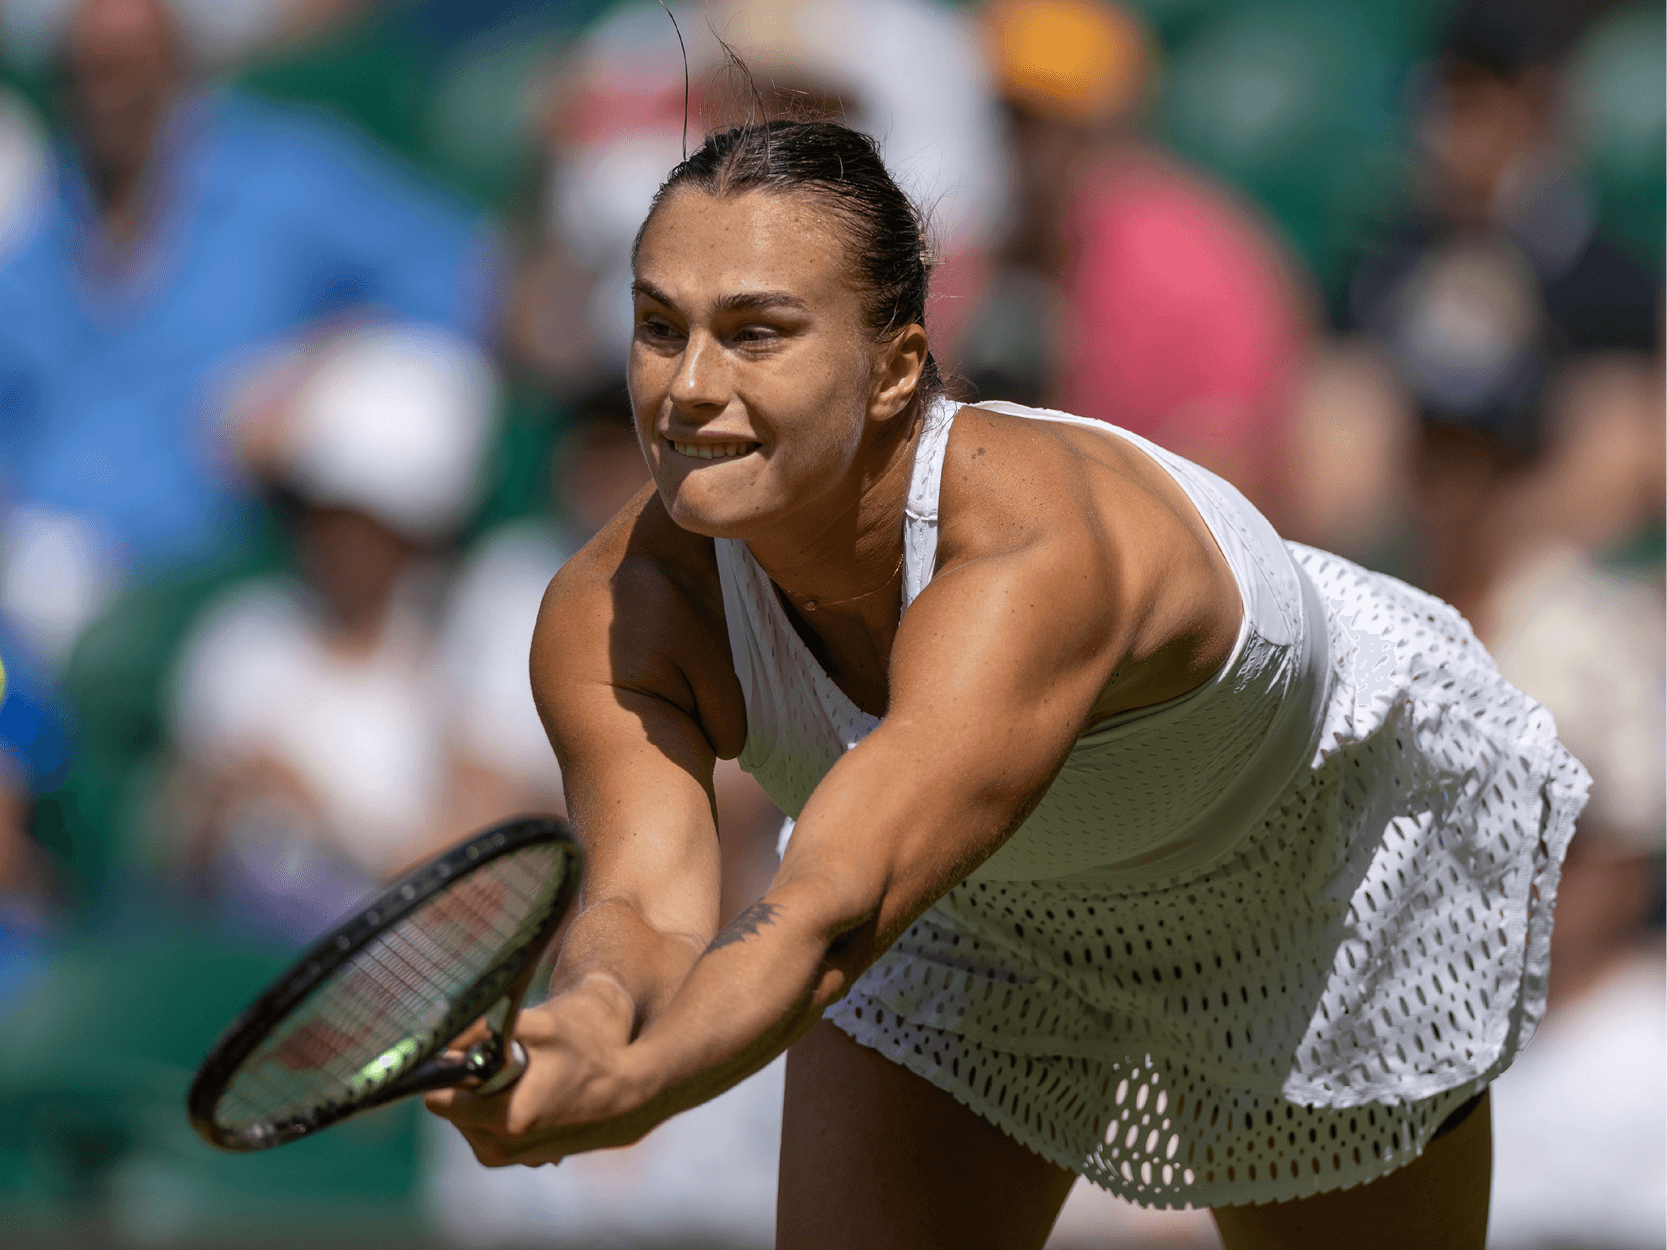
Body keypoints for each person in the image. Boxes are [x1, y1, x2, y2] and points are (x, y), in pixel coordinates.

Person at [424, 118, 1587, 1250]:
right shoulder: (607, 607)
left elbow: (827, 913)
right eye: (656, 326)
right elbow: (642, 905)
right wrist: (583, 1023)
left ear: (893, 369)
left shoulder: (1033, 552)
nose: (686, 385)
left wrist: (642, 1085)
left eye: (757, 332)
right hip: (967, 910)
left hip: (1304, 879)